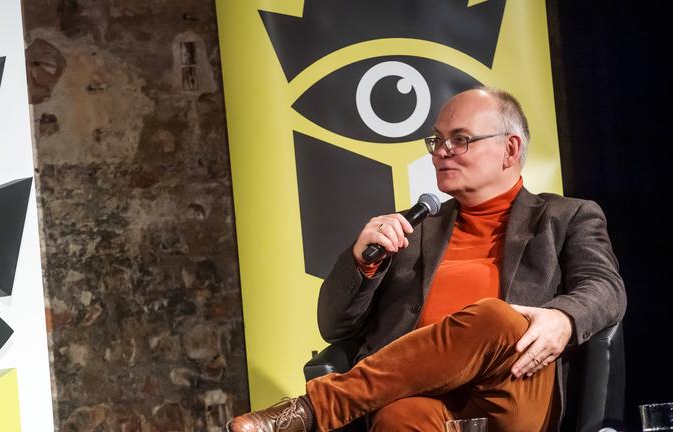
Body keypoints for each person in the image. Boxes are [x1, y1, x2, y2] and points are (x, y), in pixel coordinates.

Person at [229, 88, 625, 432]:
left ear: (510, 149)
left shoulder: (566, 217)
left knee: (493, 317)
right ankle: (327, 407)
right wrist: (360, 264)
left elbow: (606, 288)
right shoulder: (410, 231)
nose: (442, 152)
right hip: (422, 396)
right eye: (436, 141)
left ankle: (315, 409)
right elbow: (334, 325)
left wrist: (564, 317)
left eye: (460, 139)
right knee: (398, 415)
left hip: (516, 388)